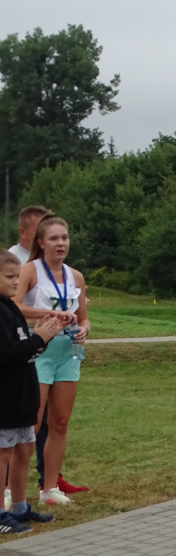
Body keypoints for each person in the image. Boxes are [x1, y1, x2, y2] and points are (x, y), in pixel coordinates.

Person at [14, 215, 90, 506]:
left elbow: (83, 318)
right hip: (38, 352)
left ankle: (49, 489)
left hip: (67, 353)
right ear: (41, 242)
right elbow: (13, 307)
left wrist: (83, 330)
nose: (61, 243)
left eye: (65, 238)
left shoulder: (76, 276)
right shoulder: (30, 271)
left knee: (60, 423)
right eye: (55, 239)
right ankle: (11, 489)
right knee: (31, 423)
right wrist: (47, 315)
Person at [0, 250, 64, 533]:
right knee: (3, 454)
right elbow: (8, 355)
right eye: (9, 277)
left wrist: (42, 339)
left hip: (22, 395)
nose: (16, 282)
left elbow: (26, 348)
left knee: (25, 448)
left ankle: (20, 506)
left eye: (17, 276)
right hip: (5, 398)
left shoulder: (11, 307)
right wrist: (39, 337)